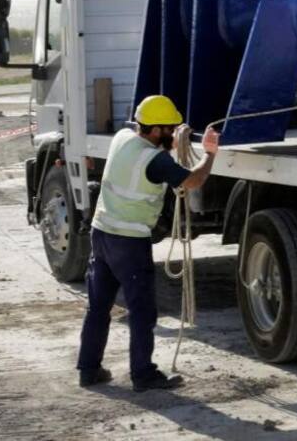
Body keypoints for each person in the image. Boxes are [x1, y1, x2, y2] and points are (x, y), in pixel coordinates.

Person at [76, 95, 220, 391]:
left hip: (101, 234)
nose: (172, 133)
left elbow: (157, 153)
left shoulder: (122, 138)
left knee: (98, 307)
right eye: (169, 129)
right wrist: (209, 154)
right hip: (128, 242)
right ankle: (143, 374)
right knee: (142, 311)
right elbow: (191, 181)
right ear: (155, 130)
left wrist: (176, 140)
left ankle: (88, 370)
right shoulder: (154, 159)